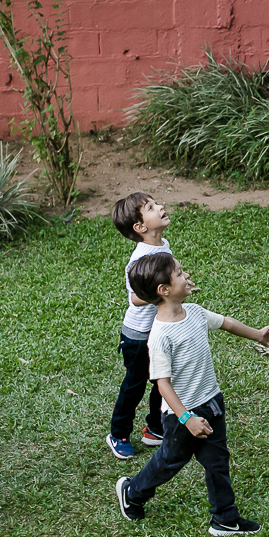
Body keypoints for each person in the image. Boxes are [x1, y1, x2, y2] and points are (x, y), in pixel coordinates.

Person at [116, 254, 269, 535]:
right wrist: (186, 418)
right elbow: (162, 384)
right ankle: (132, 492)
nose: (186, 276)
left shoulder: (194, 311)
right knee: (169, 460)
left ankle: (225, 519)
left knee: (217, 461)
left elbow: (226, 322)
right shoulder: (160, 336)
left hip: (212, 401)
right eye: (179, 274)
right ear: (163, 290)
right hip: (183, 415)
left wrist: (258, 335)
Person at [106, 192, 172, 460]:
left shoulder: (163, 244)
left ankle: (155, 429)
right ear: (140, 227)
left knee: (162, 380)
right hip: (137, 336)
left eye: (156, 204)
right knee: (134, 385)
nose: (161, 207)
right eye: (151, 207)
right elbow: (134, 298)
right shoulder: (140, 258)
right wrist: (162, 292)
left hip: (159, 330)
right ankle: (118, 433)